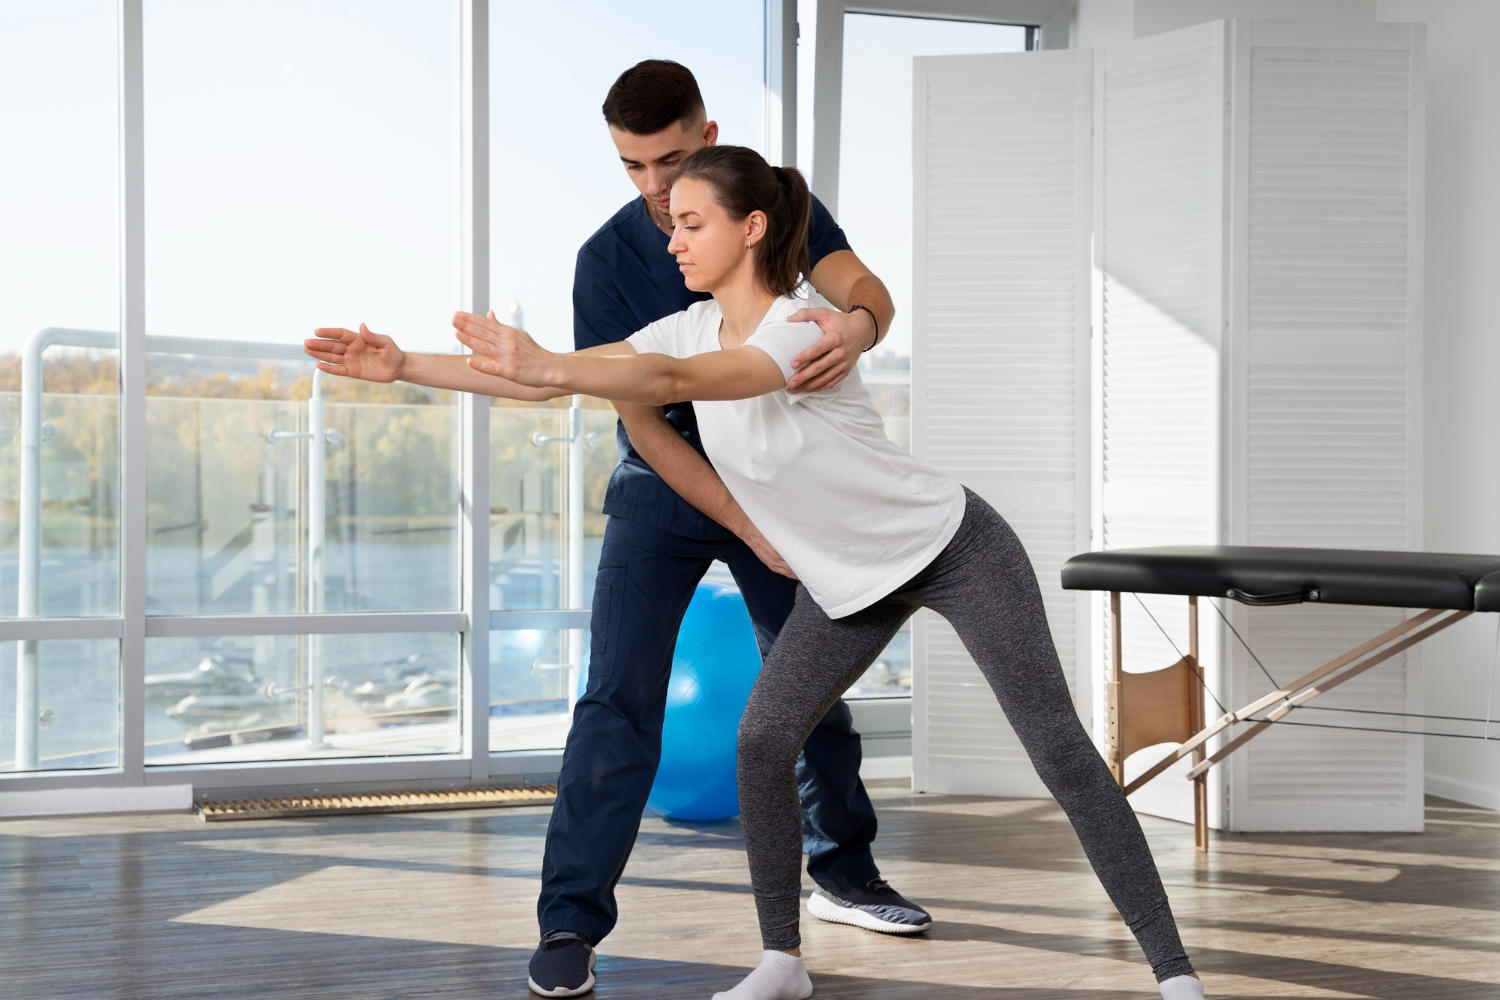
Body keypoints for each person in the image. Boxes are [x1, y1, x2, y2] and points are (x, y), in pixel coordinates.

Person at [306, 145, 1206, 1000]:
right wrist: (403, 368)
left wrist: (552, 361)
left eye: (691, 221)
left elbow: (679, 376)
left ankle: (1174, 973)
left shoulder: (801, 324)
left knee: (1057, 750)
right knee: (762, 740)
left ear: (753, 229)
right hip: (850, 584)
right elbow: (569, 381)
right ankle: (783, 959)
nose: (671, 239)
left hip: (953, 549)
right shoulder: (687, 321)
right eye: (672, 225)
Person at [311, 60, 928, 999]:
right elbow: (630, 405)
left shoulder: (768, 206)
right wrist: (402, 366)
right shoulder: (609, 263)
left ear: (711, 139)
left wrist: (856, 327)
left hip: (781, 476)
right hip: (666, 490)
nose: (652, 189)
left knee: (806, 688)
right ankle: (569, 921)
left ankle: (844, 871)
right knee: (616, 702)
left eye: (672, 162)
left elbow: (862, 289)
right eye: (633, 168)